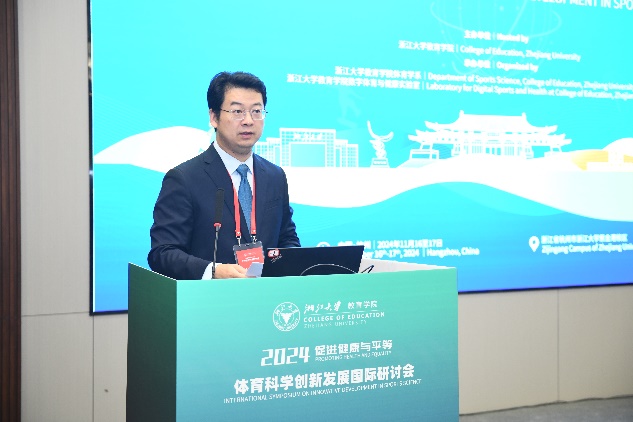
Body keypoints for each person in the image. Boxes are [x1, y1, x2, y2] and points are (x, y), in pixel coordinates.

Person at [148, 71, 300, 279]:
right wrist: (213, 271)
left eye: (256, 111)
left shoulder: (275, 176)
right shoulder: (184, 179)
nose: (248, 121)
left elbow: (287, 238)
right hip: (210, 296)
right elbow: (163, 253)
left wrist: (290, 265)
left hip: (267, 296)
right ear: (214, 117)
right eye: (237, 111)